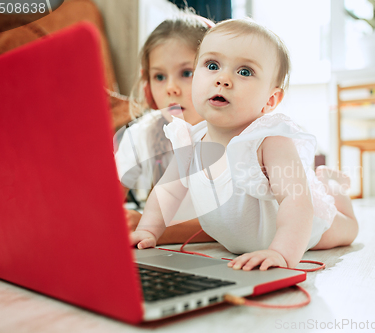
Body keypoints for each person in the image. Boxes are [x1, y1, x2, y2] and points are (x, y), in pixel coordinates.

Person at [130, 18, 359, 270]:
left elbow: (297, 202)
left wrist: (281, 253)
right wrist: (148, 230)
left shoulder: (268, 140)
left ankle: (332, 187)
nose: (223, 79)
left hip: (305, 231)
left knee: (347, 228)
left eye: (244, 71)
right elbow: (167, 192)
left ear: (270, 100)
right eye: (212, 65)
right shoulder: (191, 141)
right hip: (239, 244)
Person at [114, 13, 215, 244]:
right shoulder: (141, 134)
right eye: (159, 76)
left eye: (186, 73)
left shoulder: (234, 136)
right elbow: (104, 202)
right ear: (147, 88)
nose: (171, 88)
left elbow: (231, 227)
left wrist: (151, 228)